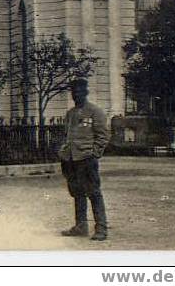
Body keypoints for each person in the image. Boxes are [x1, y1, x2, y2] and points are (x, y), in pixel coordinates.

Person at [59, 78, 110, 241]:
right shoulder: (70, 114)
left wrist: (94, 153)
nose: (76, 96)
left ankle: (101, 228)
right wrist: (63, 153)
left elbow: (103, 136)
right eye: (74, 93)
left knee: (94, 192)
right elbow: (67, 136)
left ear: (86, 93)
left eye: (79, 92)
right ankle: (81, 226)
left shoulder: (96, 112)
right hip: (71, 159)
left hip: (86, 159)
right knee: (77, 192)